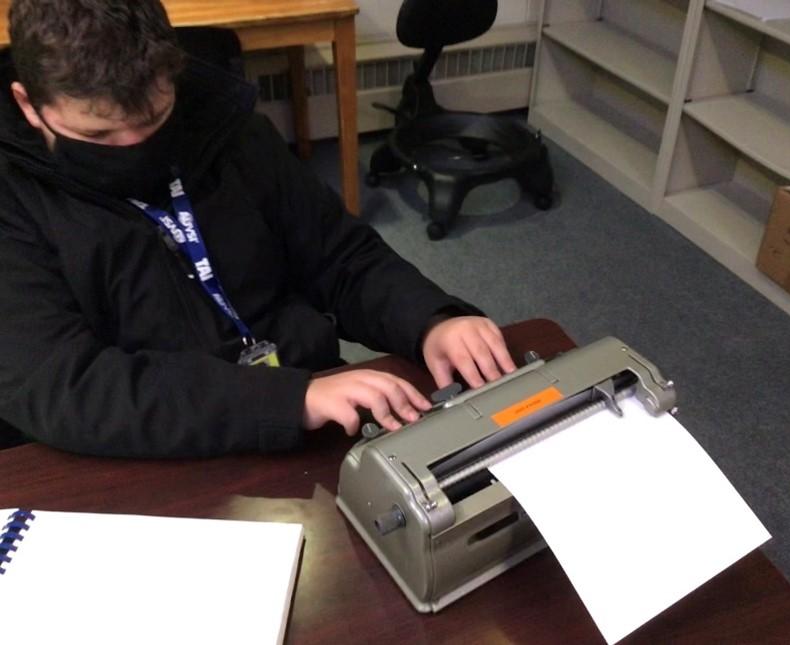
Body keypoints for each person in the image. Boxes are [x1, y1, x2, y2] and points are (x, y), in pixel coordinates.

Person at [0, 0, 516, 457]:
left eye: (155, 118)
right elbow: (65, 386)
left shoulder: (232, 131)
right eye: (99, 133)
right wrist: (284, 402)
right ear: (28, 104)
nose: (134, 145)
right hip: (144, 454)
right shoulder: (14, 199)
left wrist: (429, 319)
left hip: (308, 410)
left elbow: (340, 257)